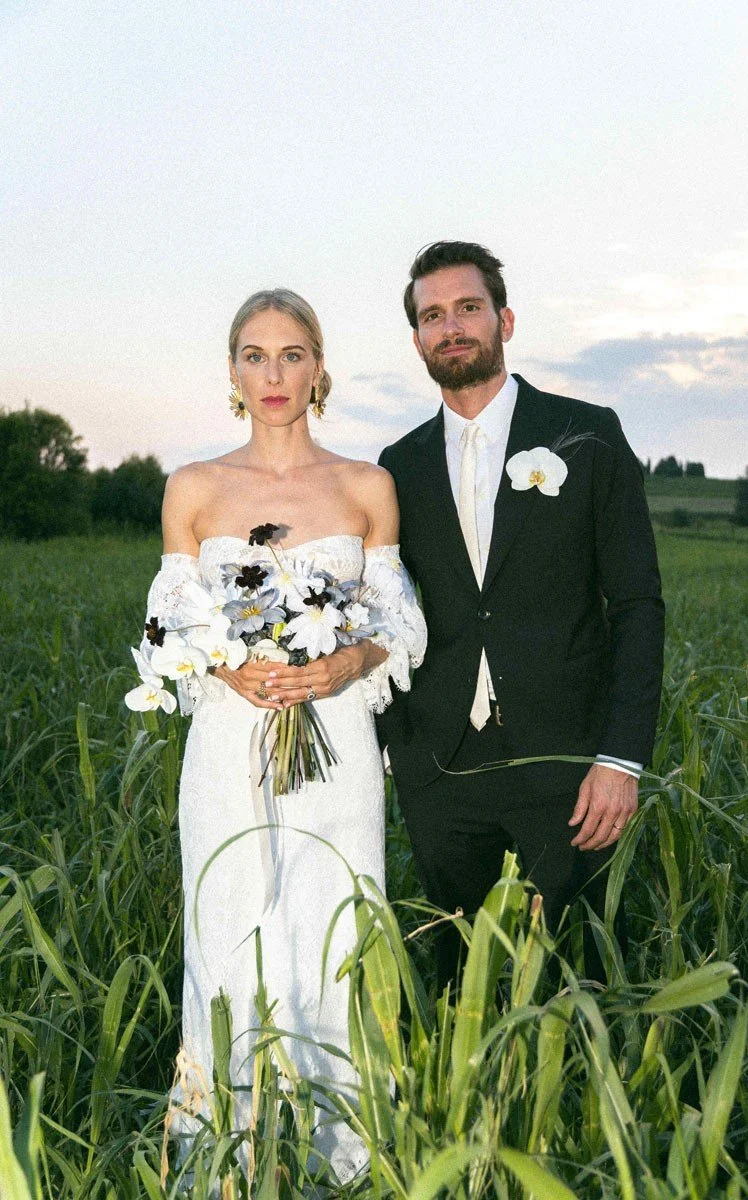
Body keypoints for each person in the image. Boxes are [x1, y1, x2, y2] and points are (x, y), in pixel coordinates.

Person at [141, 289, 426, 1182]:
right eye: (256, 355)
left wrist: (345, 664)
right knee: (227, 927)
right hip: (230, 747)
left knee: (333, 926)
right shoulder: (194, 487)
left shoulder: (365, 484)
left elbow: (399, 620)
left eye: (292, 354)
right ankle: (226, 1153)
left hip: (336, 749)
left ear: (319, 367)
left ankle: (341, 1155)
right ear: (232, 370)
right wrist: (226, 664)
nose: (274, 374)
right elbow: (172, 627)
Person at [377, 242, 665, 989]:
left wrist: (621, 759)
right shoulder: (395, 465)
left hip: (566, 763)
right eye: (432, 315)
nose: (451, 326)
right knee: (455, 981)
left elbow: (637, 607)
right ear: (417, 341)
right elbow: (384, 612)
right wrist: (393, 752)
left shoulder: (588, 433)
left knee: (580, 979)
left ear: (503, 318)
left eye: (467, 307)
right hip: (441, 767)